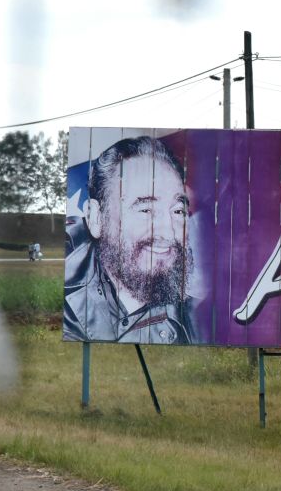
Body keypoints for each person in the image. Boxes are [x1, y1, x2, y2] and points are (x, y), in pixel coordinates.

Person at [63, 136, 197, 344]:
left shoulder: (202, 320)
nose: (168, 233)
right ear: (96, 218)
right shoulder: (64, 303)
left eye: (178, 211)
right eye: (145, 209)